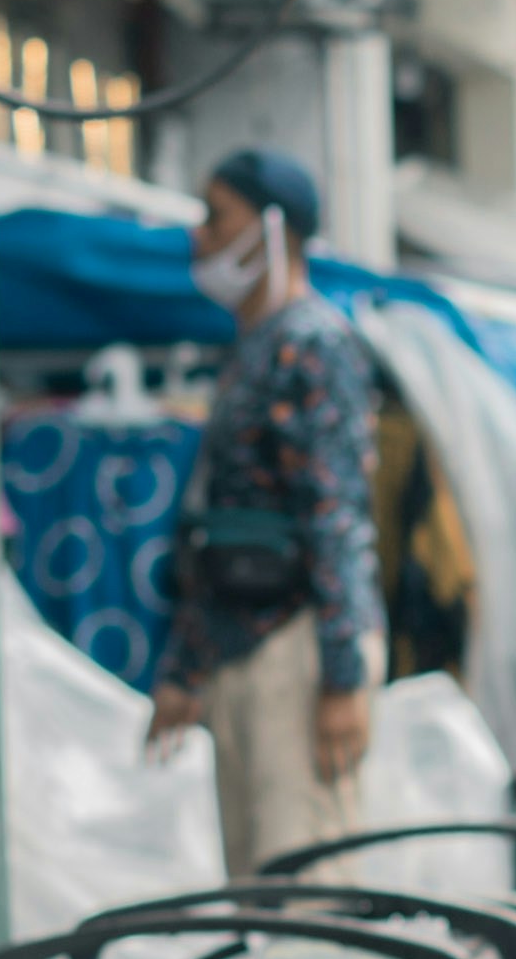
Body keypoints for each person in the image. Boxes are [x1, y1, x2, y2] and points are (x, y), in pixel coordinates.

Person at [144, 148, 387, 874]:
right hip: (242, 647)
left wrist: (342, 677)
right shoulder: (254, 349)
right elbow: (212, 520)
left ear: (272, 229)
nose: (200, 236)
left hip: (297, 646)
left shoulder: (315, 346)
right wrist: (186, 667)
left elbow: (336, 516)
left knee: (307, 887)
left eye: (217, 217)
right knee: (256, 890)